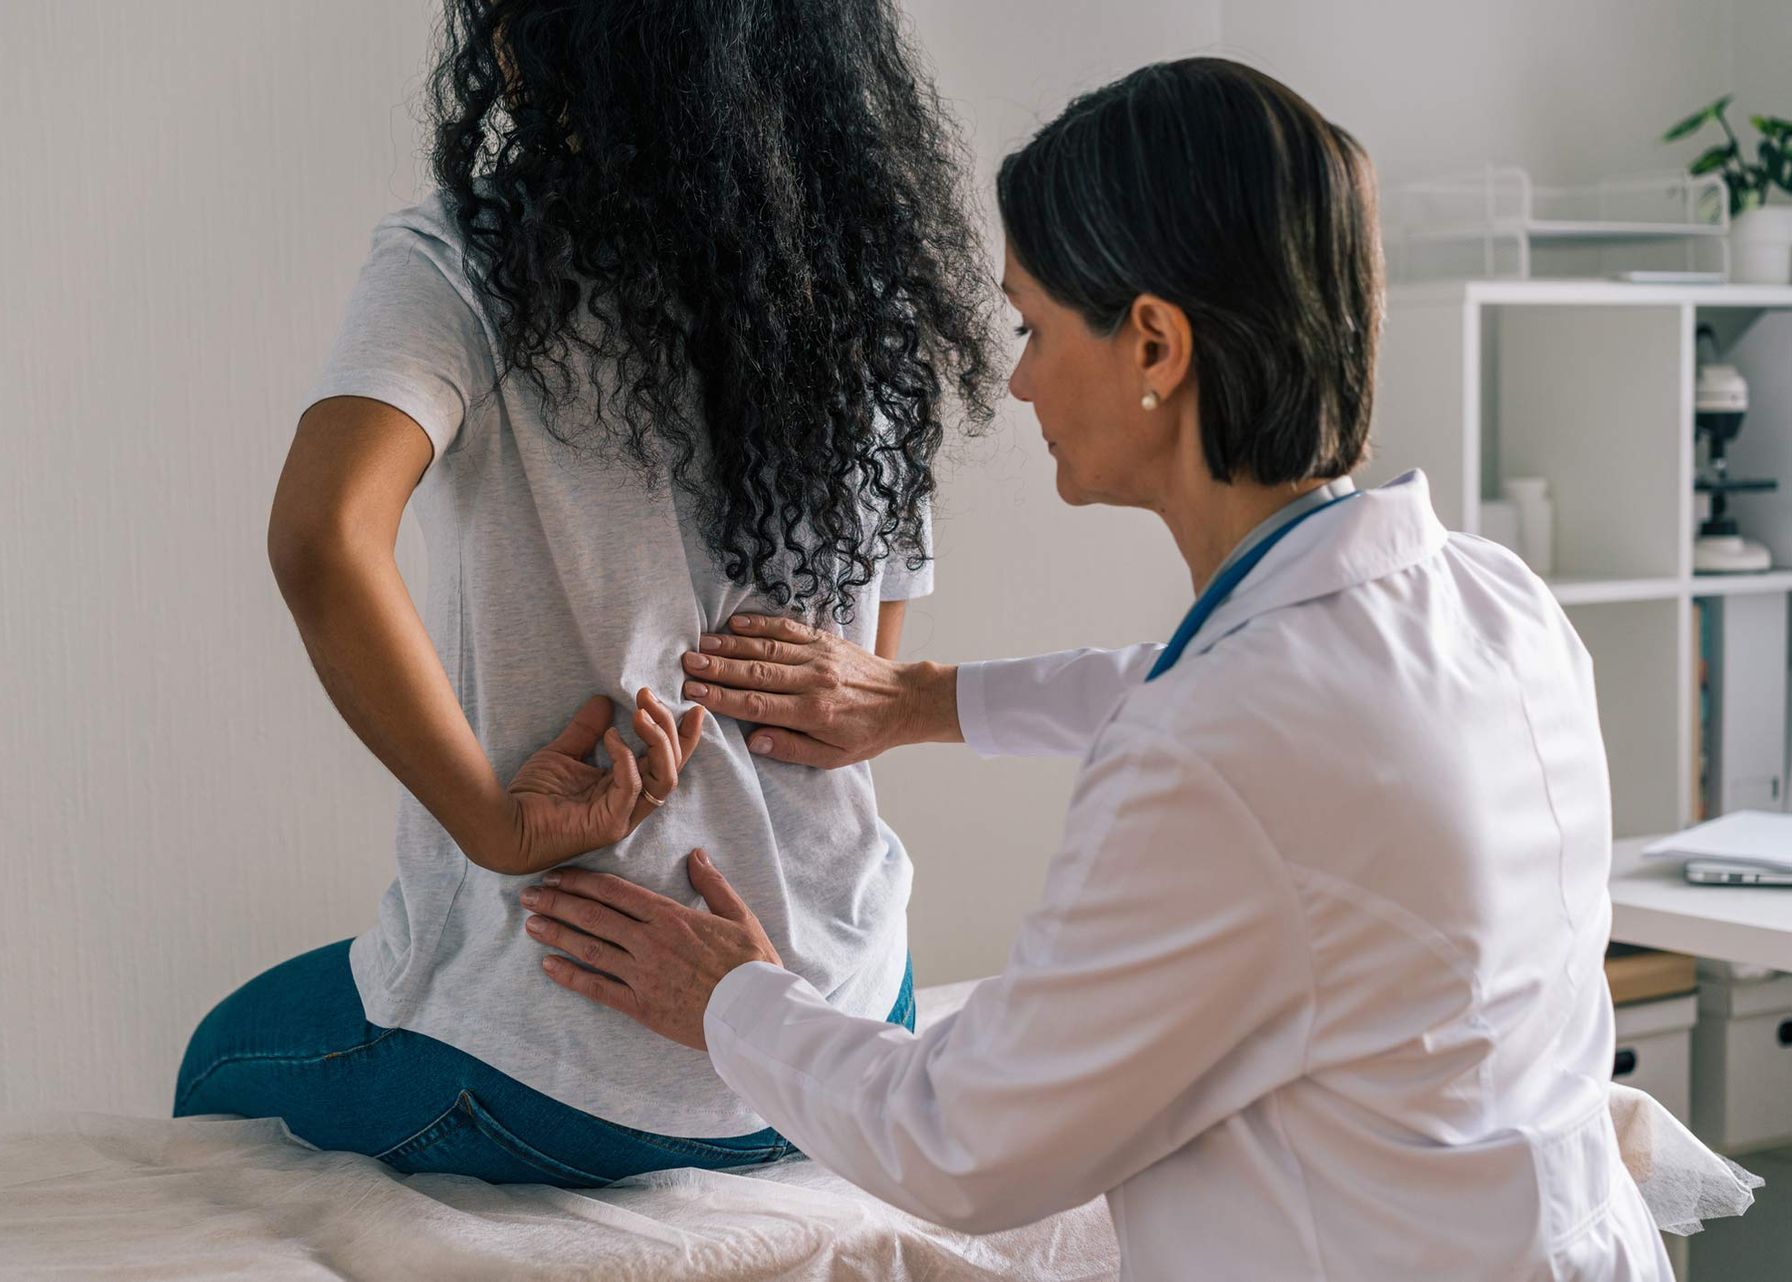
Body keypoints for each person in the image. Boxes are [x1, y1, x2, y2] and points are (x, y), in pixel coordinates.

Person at [520, 58, 1678, 1278]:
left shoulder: (1222, 744)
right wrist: (923, 700)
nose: (1016, 377)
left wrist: (734, 995)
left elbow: (960, 1142)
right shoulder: (1495, 606)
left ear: (1155, 344)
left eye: (1031, 325)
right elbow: (1218, 687)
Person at [172, 0, 1000, 1187]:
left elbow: (323, 536)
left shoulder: (474, 258)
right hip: (853, 1019)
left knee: (218, 1064)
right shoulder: (866, 277)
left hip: (578, 1070)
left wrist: (493, 823)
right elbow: (870, 659)